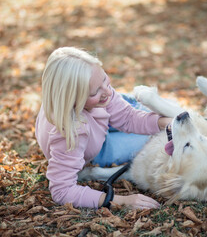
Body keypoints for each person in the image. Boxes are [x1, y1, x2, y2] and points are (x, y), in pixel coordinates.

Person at [35, 47, 171, 209]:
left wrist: (164, 123)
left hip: (98, 122)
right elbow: (62, 191)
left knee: (150, 115)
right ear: (72, 99)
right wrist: (119, 200)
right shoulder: (69, 134)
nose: (108, 91)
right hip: (93, 147)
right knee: (151, 139)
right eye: (95, 92)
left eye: (105, 79)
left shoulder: (96, 91)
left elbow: (127, 117)